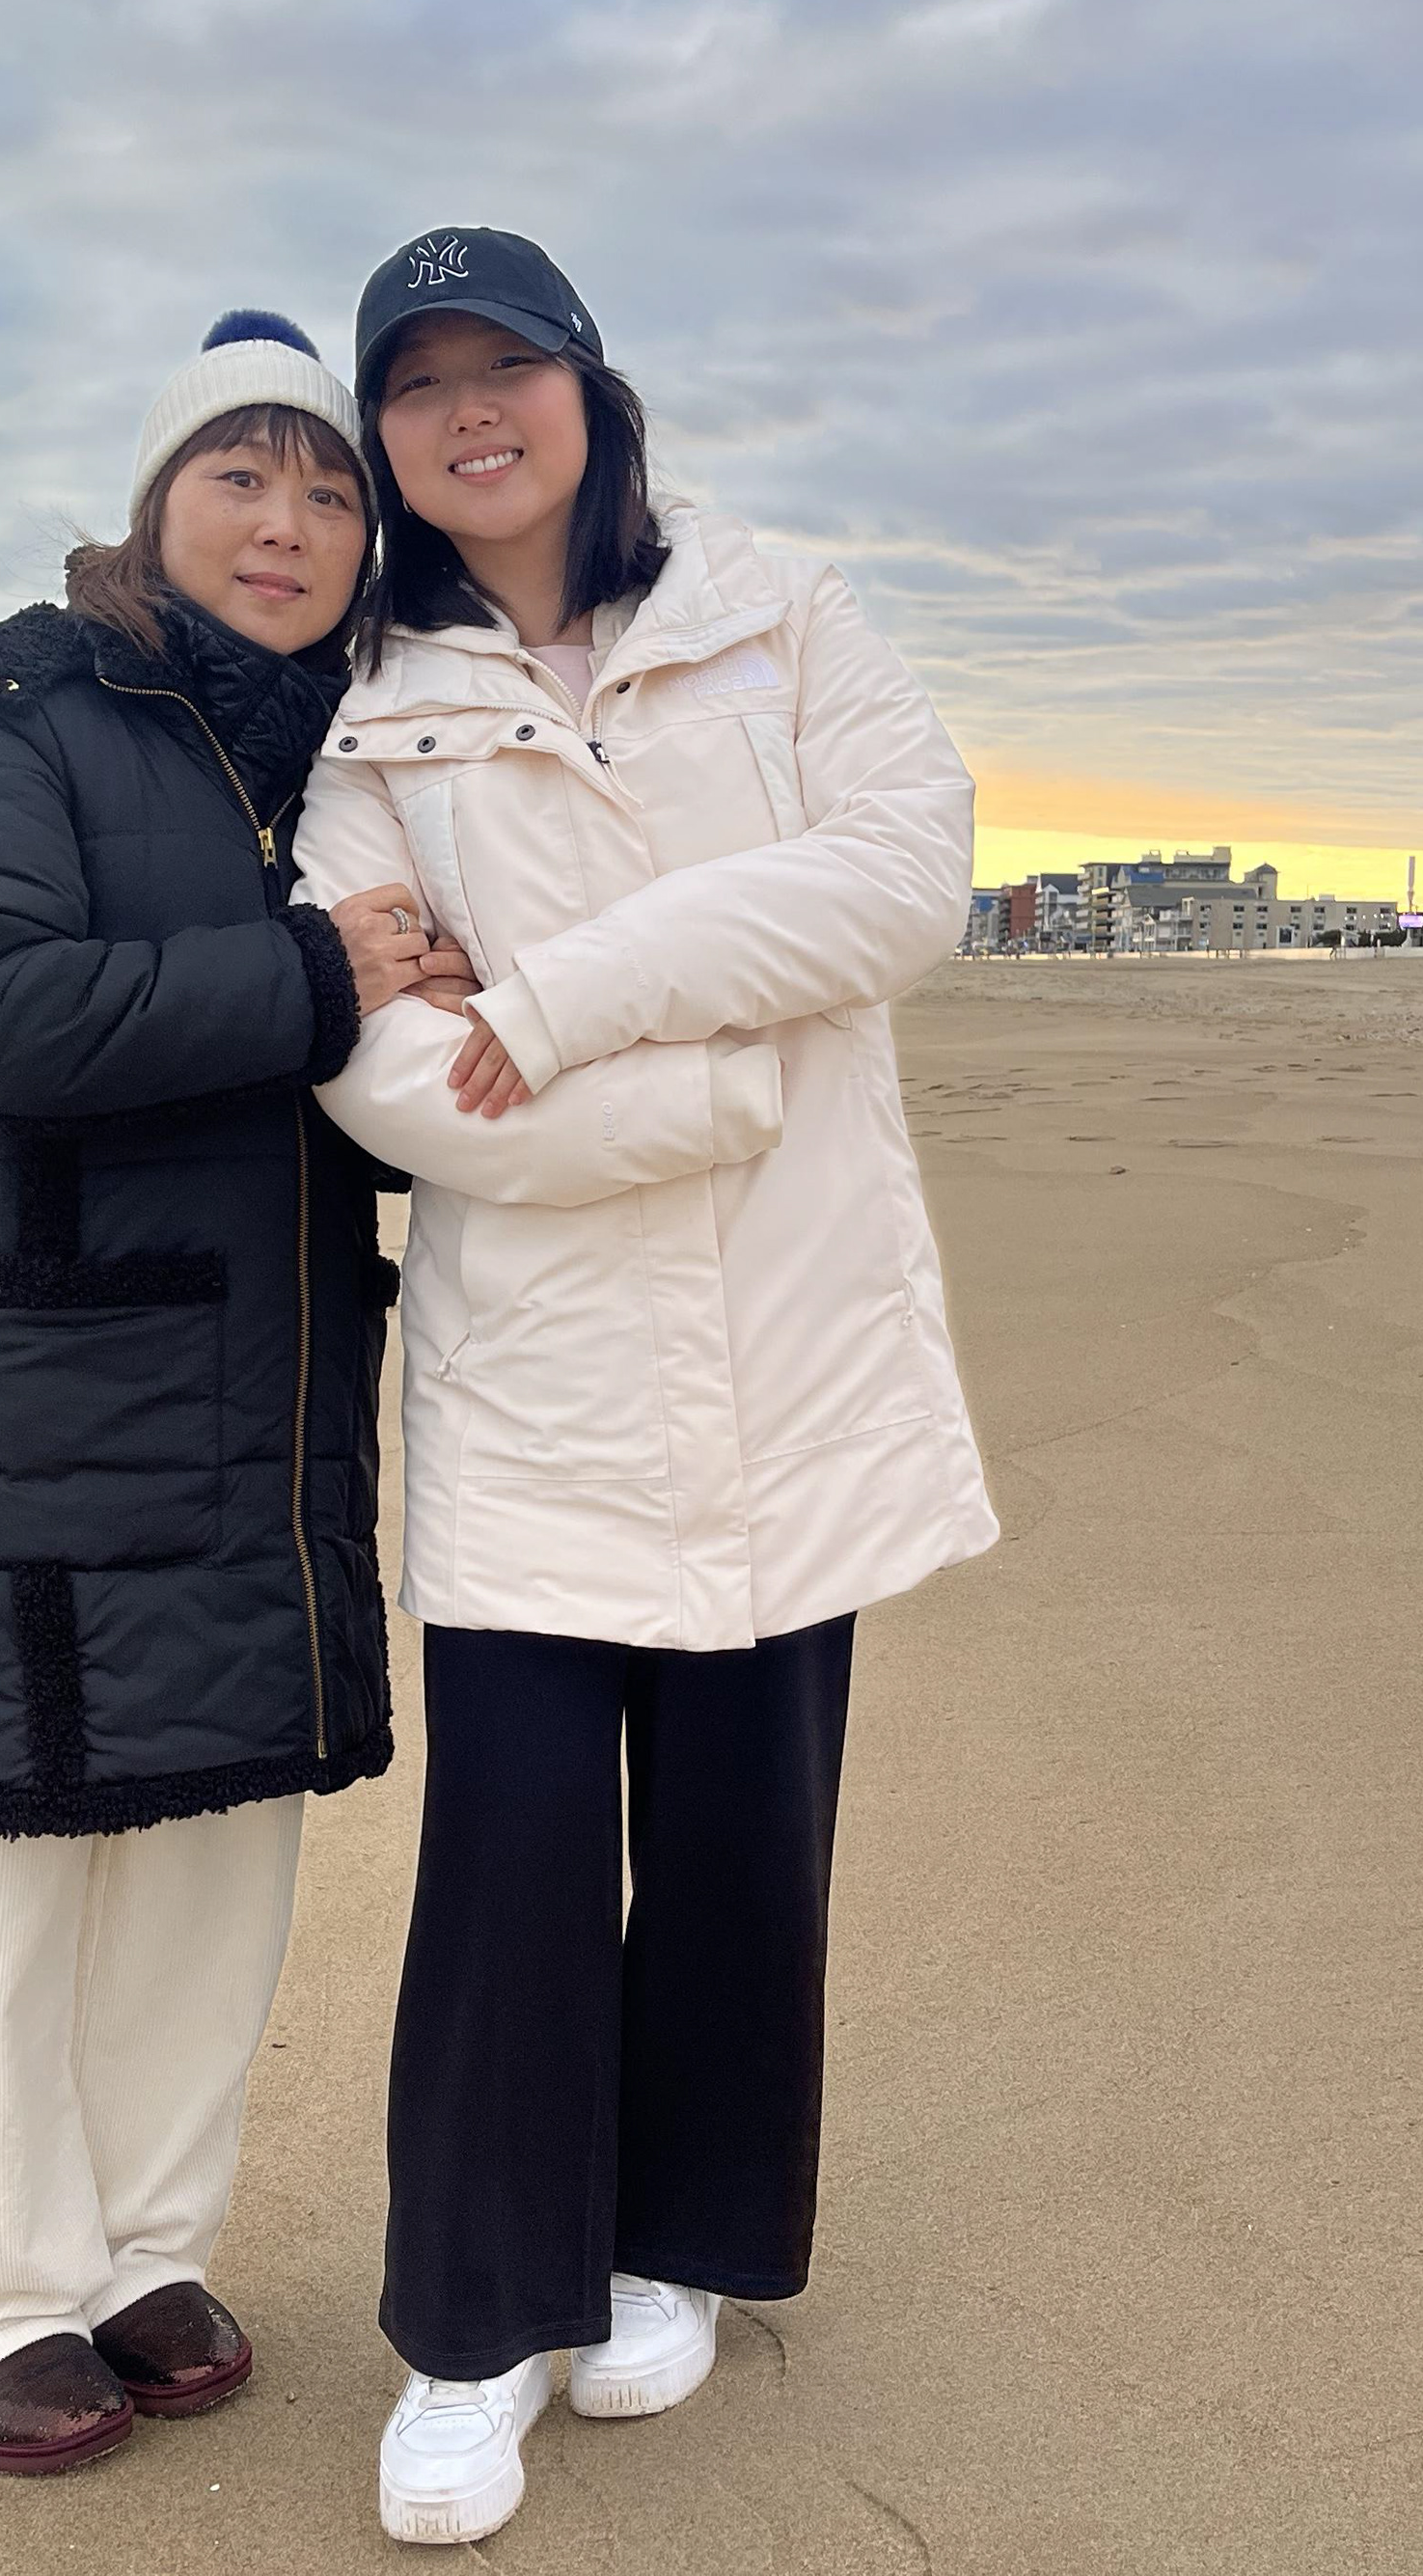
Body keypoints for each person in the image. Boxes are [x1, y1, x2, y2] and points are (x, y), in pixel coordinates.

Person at [293, 230, 1000, 2547]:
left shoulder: (782, 615)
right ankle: (473, 2326)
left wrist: (567, 996)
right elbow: (383, 1064)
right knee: (504, 1862)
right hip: (543, 1367)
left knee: (741, 1835)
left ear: (591, 389)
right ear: (390, 436)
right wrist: (707, 1089)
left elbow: (896, 884)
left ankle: (672, 2243)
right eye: (418, 383)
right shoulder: (368, 704)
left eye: (505, 364)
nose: (466, 412)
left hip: (800, 1339)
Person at [0, 310, 471, 2480]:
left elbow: (375, 1052)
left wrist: (438, 1010)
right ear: (154, 505)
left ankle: (135, 2252)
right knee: (8, 1860)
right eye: (242, 477)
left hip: (265, 1386)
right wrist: (319, 973)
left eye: (329, 491)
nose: (287, 524)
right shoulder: (10, 699)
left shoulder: (356, 745)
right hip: (40, 1377)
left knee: (214, 1848)